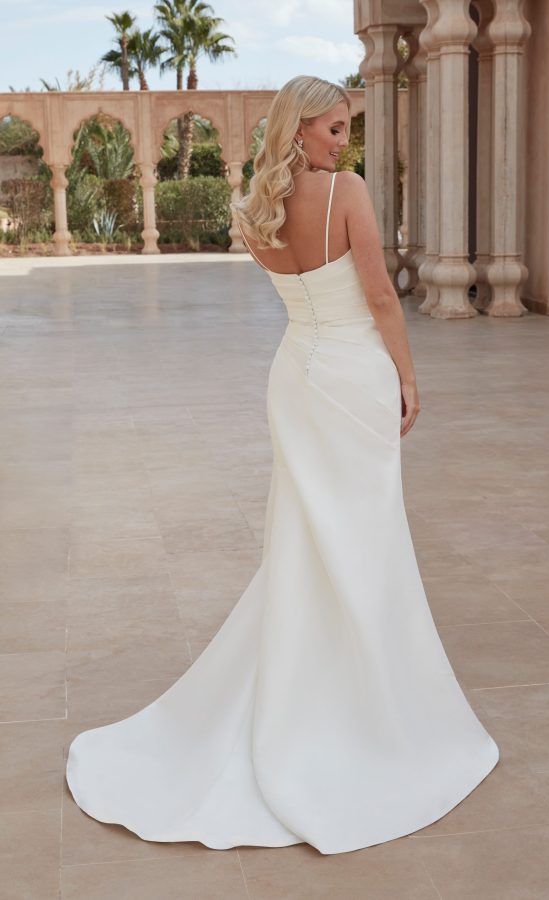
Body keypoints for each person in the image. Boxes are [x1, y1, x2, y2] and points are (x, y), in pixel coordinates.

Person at [66, 75, 499, 856]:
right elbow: (380, 300)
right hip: (350, 376)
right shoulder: (346, 193)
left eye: (345, 129)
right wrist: (407, 377)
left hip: (297, 375)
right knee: (361, 543)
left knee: (306, 541)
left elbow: (307, 293)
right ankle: (364, 711)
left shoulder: (252, 207)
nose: (344, 140)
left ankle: (311, 692)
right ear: (298, 130)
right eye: (333, 128)